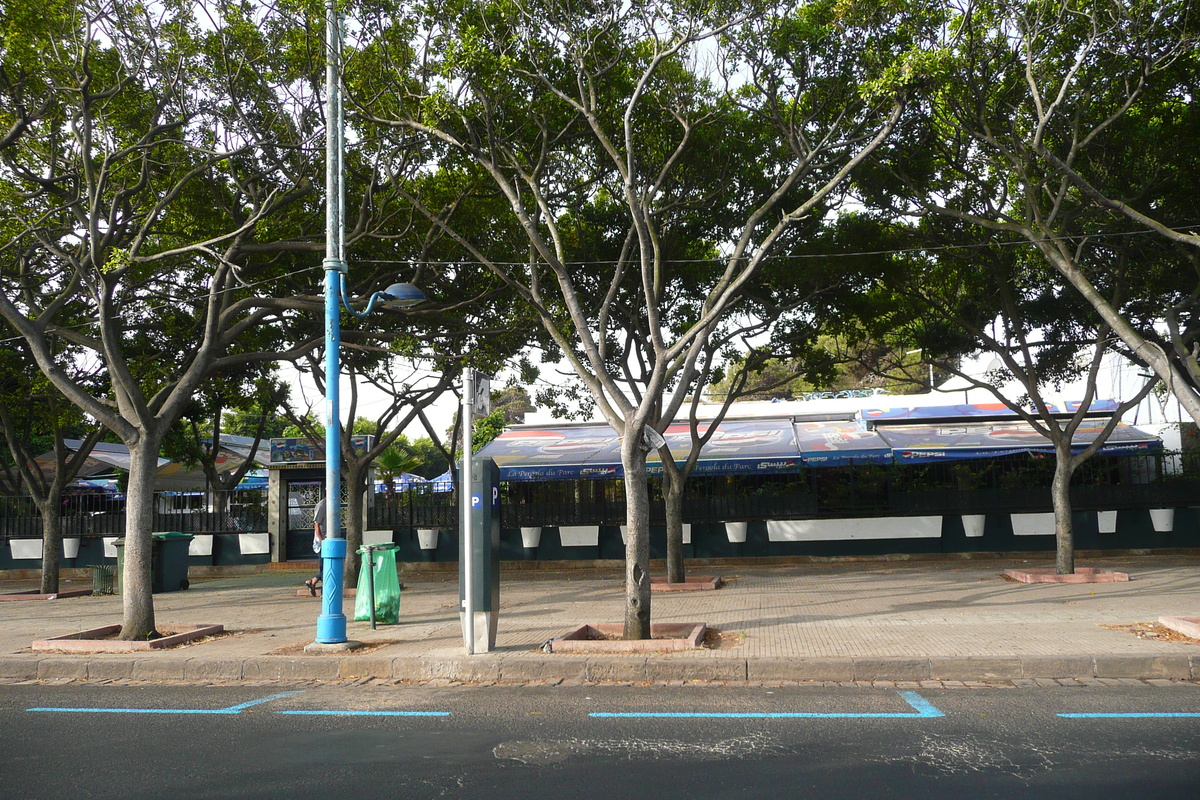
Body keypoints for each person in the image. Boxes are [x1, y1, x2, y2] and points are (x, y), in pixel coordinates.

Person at [304, 495, 327, 596]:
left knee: (325, 567)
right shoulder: (322, 505)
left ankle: (317, 585)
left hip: (328, 539)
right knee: (328, 567)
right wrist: (321, 540)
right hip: (323, 541)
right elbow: (316, 525)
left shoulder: (332, 505)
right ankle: (314, 581)